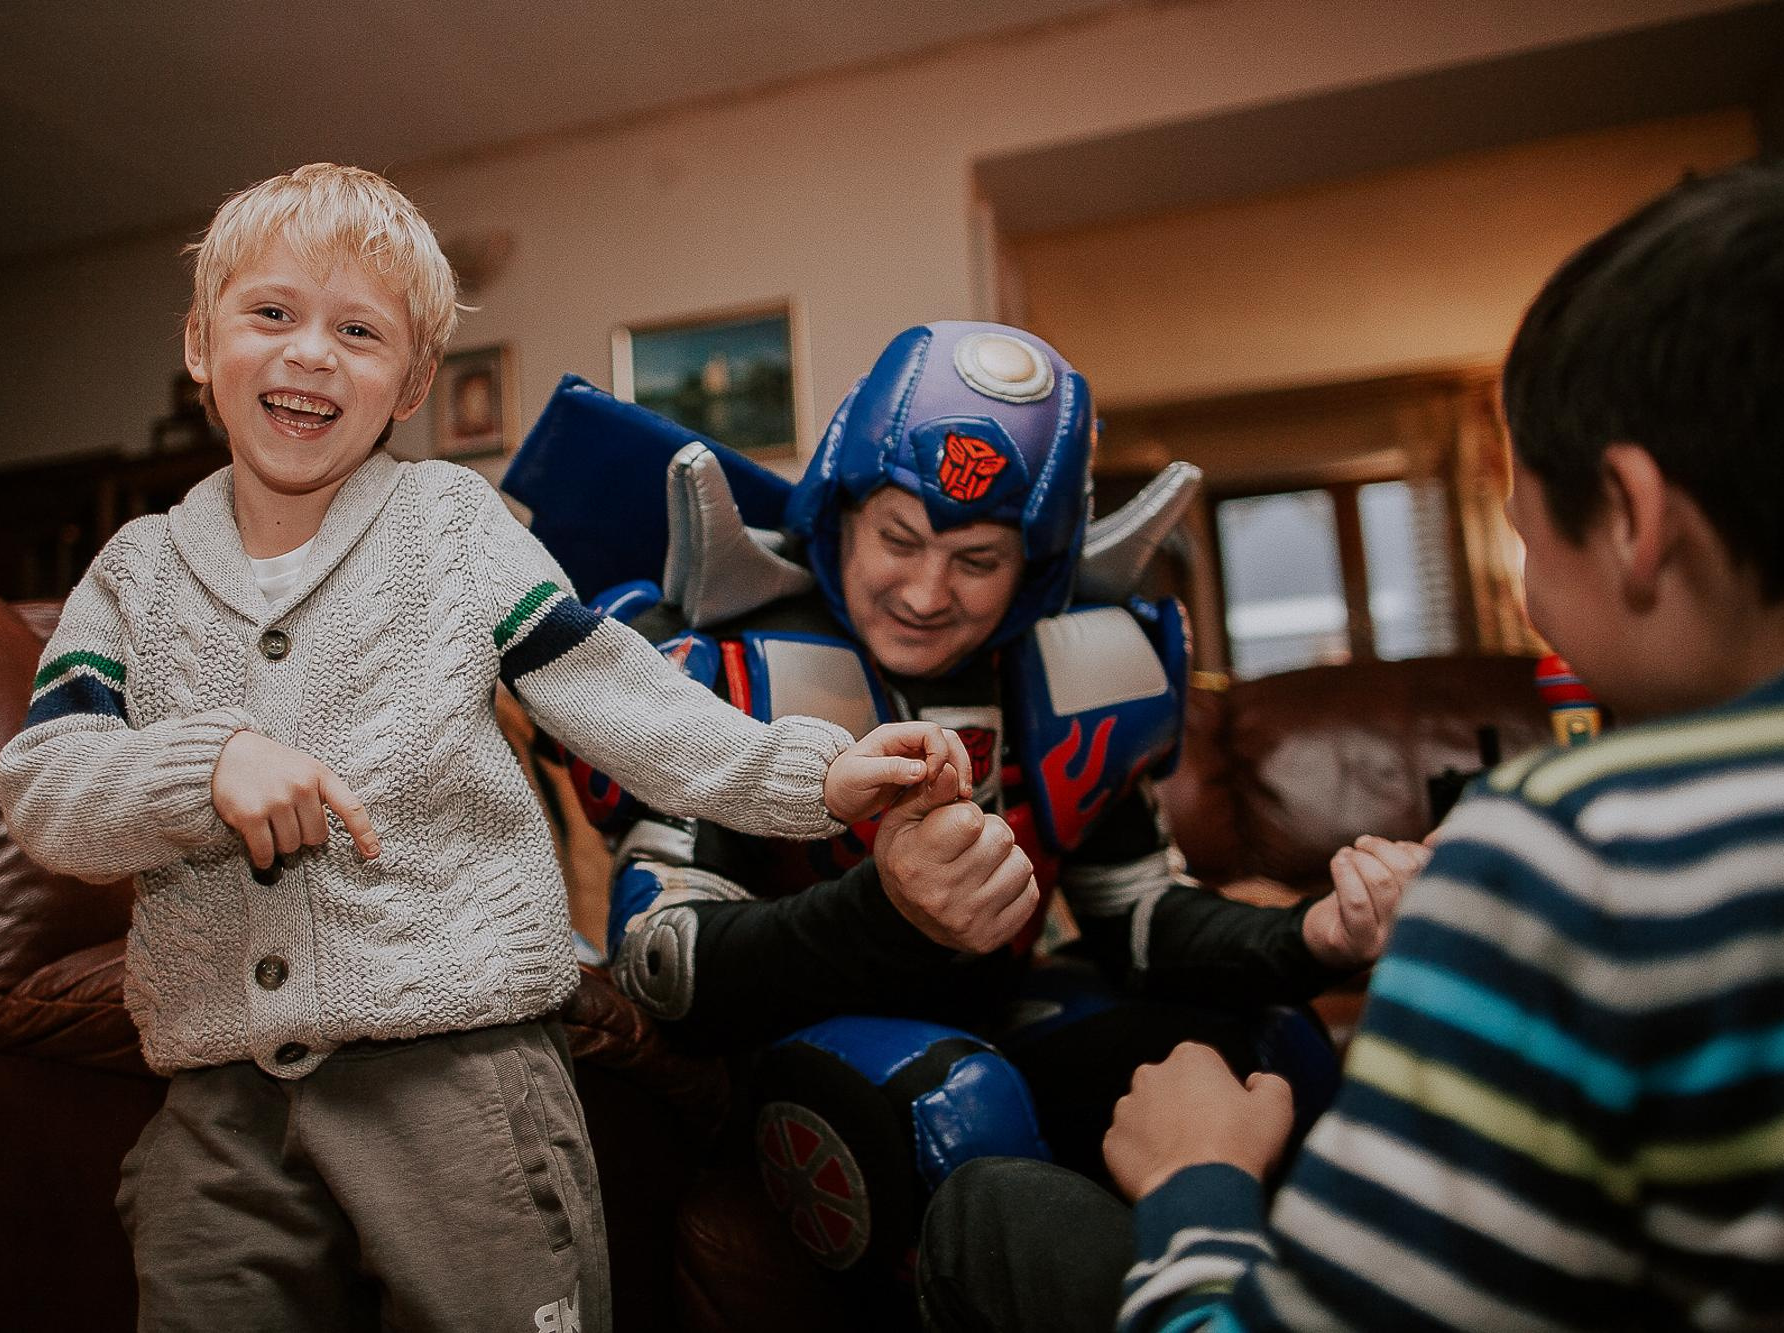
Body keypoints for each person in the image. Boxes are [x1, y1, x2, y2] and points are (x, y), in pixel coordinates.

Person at [0, 162, 962, 1333]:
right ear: (201, 345)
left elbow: (625, 700)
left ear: (407, 384)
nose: (309, 353)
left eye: (358, 331)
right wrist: (200, 765)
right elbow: (46, 789)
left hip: (462, 1078)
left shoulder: (453, 528)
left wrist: (813, 773)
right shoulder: (131, 574)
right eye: (270, 314)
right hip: (218, 1106)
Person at [931, 159, 1784, 1332]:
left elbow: (1142, 903)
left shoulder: (1568, 846)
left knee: (990, 1207)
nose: (932, 587)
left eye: (1517, 506)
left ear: (1630, 516)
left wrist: (1196, 1181)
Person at [553, 320, 1426, 1283]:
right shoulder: (720, 668)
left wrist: (1317, 938)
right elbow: (665, 966)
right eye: (899, 537)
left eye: (977, 560)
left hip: (1004, 1009)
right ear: (840, 515)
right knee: (957, 1103)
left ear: (1037, 568)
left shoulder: (1077, 676)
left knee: (1272, 1043)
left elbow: (1138, 916)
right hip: (799, 1047)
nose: (927, 591)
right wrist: (883, 912)